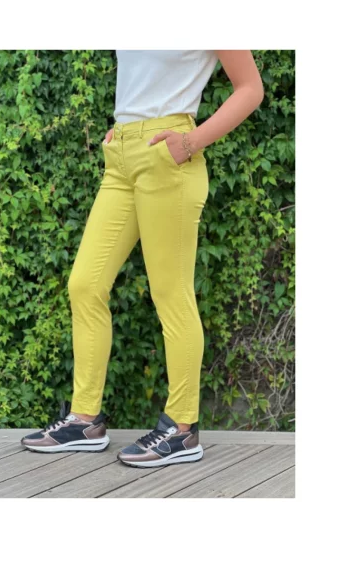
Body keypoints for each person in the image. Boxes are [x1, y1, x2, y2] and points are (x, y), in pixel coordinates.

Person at [21, 50, 264, 467]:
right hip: (121, 156)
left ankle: (182, 429)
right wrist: (124, 133)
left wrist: (189, 142)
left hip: (168, 155)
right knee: (85, 284)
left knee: (171, 294)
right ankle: (84, 420)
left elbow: (251, 89)